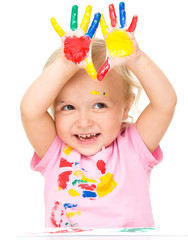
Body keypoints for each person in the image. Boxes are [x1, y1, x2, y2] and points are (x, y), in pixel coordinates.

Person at [20, 3, 177, 228]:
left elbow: (165, 104)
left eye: (100, 105)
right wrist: (66, 64)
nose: (84, 121)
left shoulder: (134, 147)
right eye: (68, 107)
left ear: (125, 107)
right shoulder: (54, 151)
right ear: (52, 108)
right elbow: (30, 111)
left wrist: (136, 59)